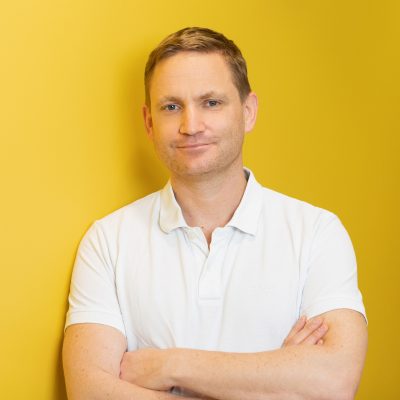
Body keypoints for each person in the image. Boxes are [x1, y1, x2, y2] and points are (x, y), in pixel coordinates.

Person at [63, 27, 367, 400]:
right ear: (149, 122)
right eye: (171, 107)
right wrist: (277, 381)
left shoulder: (316, 232)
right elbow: (89, 391)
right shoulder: (108, 241)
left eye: (211, 102)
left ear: (248, 112)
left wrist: (170, 365)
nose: (191, 126)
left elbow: (335, 382)